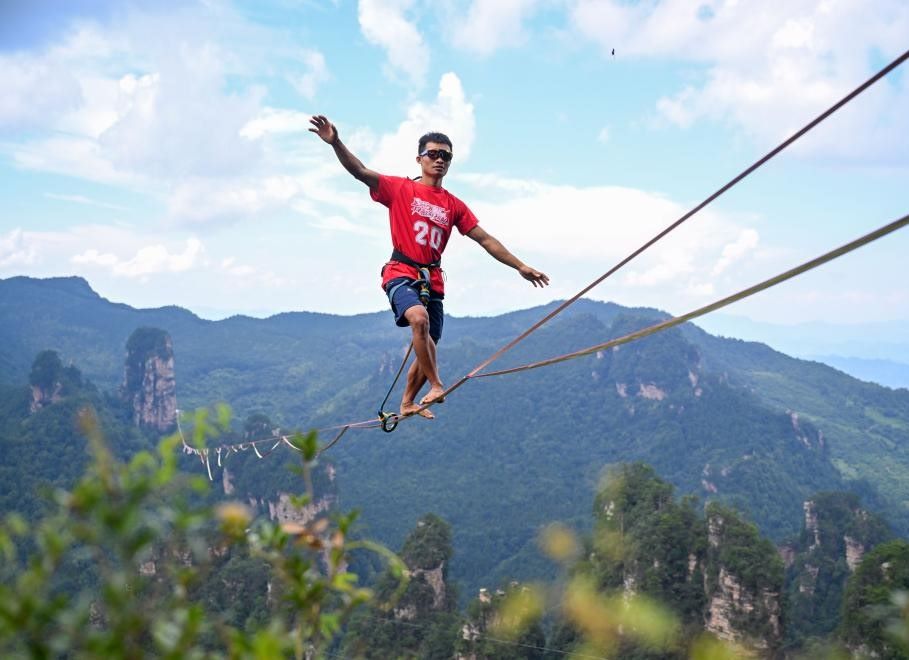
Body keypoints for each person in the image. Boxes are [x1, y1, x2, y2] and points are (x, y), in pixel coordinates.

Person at [309, 115, 549, 418]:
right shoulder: (400, 189)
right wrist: (335, 143)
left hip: (432, 279)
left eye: (445, 155)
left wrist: (520, 266)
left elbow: (485, 239)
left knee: (430, 341)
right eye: (433, 154)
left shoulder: (454, 205)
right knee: (419, 321)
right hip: (400, 271)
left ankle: (408, 401)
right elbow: (359, 171)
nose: (439, 160)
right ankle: (436, 385)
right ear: (419, 158)